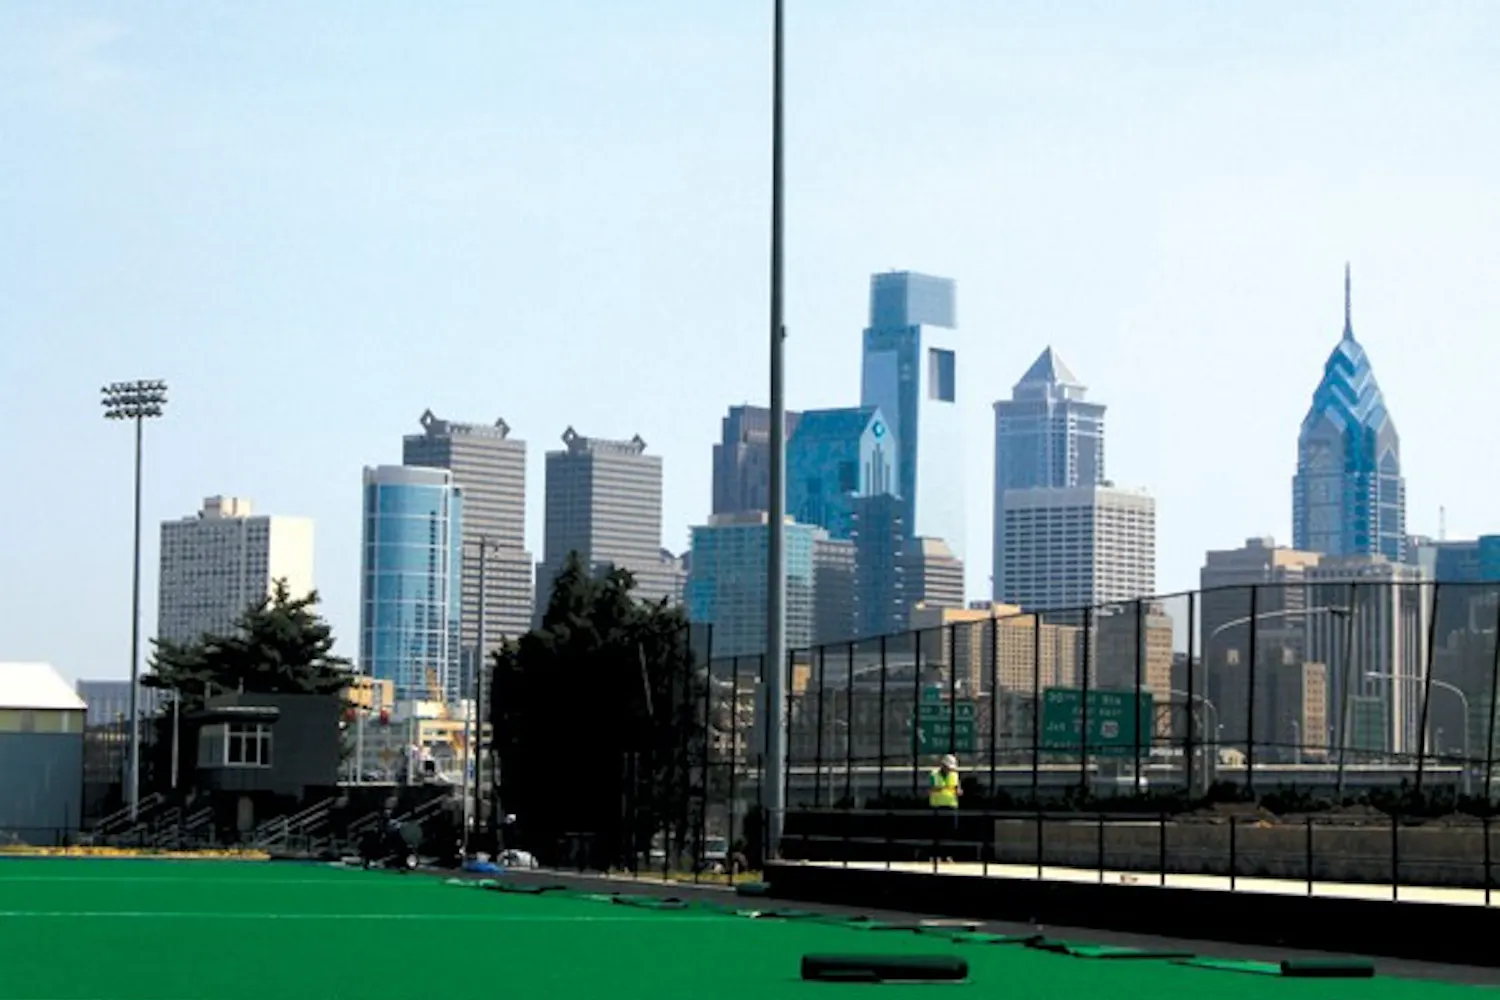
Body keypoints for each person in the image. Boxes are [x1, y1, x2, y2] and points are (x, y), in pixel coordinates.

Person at [928, 753, 961, 863]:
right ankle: (936, 855)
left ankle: (948, 855)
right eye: (948, 767)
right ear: (943, 765)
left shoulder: (954, 775)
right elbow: (932, 789)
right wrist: (942, 788)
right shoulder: (934, 775)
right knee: (937, 832)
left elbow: (957, 788)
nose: (949, 770)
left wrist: (958, 791)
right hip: (937, 806)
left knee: (950, 832)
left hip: (951, 806)